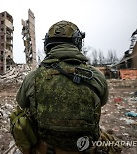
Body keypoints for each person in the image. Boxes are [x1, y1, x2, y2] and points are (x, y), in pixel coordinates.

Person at [10, 20, 122, 154]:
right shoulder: (96, 76)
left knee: (20, 116)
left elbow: (22, 104)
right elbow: (102, 102)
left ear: (47, 45)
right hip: (86, 148)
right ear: (78, 42)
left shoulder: (32, 77)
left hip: (46, 150)